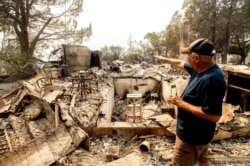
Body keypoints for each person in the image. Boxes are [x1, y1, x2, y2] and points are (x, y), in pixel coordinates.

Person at [155, 38, 226, 166]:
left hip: (191, 140)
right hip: (200, 136)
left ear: (197, 58)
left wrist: (180, 103)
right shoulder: (199, 69)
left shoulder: (212, 80)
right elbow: (179, 63)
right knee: (202, 161)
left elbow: (214, 116)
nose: (187, 59)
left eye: (188, 56)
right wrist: (163, 59)